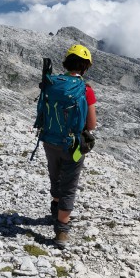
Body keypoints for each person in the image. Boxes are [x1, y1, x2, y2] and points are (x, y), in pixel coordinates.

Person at [41, 44, 97, 249]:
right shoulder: (85, 89)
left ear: (66, 63)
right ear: (85, 67)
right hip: (72, 145)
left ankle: (55, 212)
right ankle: (61, 232)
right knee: (69, 187)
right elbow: (91, 125)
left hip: (49, 140)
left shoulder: (53, 83)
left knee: (55, 177)